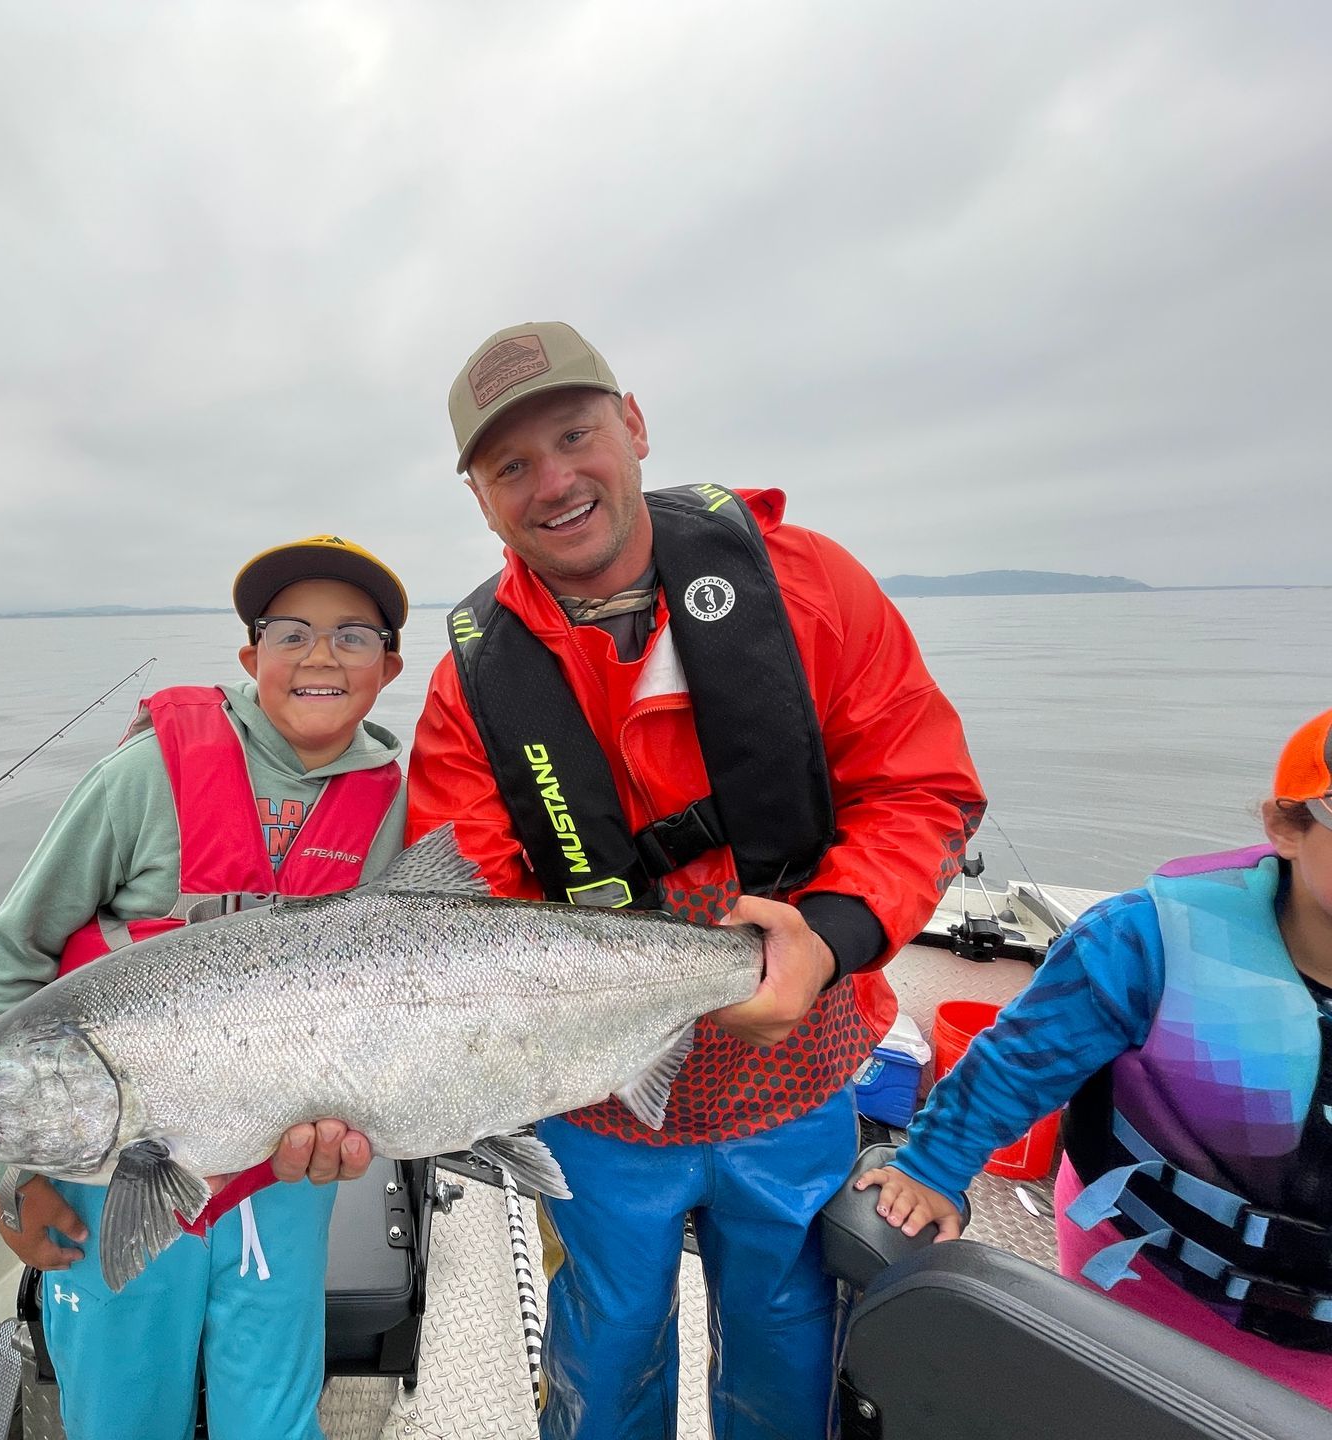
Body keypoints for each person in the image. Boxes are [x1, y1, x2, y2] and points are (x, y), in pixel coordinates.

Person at [407, 321, 986, 1439]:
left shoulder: (808, 584)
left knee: (788, 1343)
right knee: (604, 1351)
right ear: (479, 497)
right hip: (596, 1099)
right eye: (511, 465)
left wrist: (831, 932)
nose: (554, 481)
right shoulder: (468, 688)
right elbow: (457, 926)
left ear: (633, 425)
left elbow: (923, 791)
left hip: (803, 1072)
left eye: (575, 435)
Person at [0, 534, 409, 1440]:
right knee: (121, 1409)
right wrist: (4, 1179)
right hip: (114, 1164)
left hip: (279, 1176)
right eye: (291, 632)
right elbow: (14, 951)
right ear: (251, 655)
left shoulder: (395, 802)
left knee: (273, 1411)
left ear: (390, 666)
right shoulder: (143, 774)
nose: (319, 656)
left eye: (352, 635)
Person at [857, 707, 1332, 1408]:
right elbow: (1018, 1063)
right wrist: (930, 1167)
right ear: (1289, 825)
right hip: (1146, 1285)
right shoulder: (1146, 941)